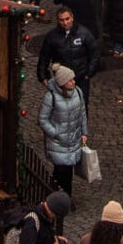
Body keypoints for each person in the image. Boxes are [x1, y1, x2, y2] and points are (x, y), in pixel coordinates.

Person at [39, 65, 88, 198]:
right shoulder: (51, 97)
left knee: (68, 173)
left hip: (73, 140)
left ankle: (66, 198)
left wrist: (84, 132)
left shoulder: (78, 92)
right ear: (62, 83)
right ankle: (57, 198)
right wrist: (56, 133)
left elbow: (82, 113)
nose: (74, 82)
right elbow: (43, 119)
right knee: (60, 172)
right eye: (70, 80)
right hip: (58, 143)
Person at [37, 7, 99, 106]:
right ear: (58, 20)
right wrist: (43, 76)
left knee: (81, 106)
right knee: (61, 107)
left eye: (67, 19)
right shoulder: (52, 37)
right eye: (62, 20)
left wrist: (89, 72)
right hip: (61, 79)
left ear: (72, 18)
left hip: (81, 78)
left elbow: (94, 53)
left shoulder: (84, 33)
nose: (65, 23)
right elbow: (44, 57)